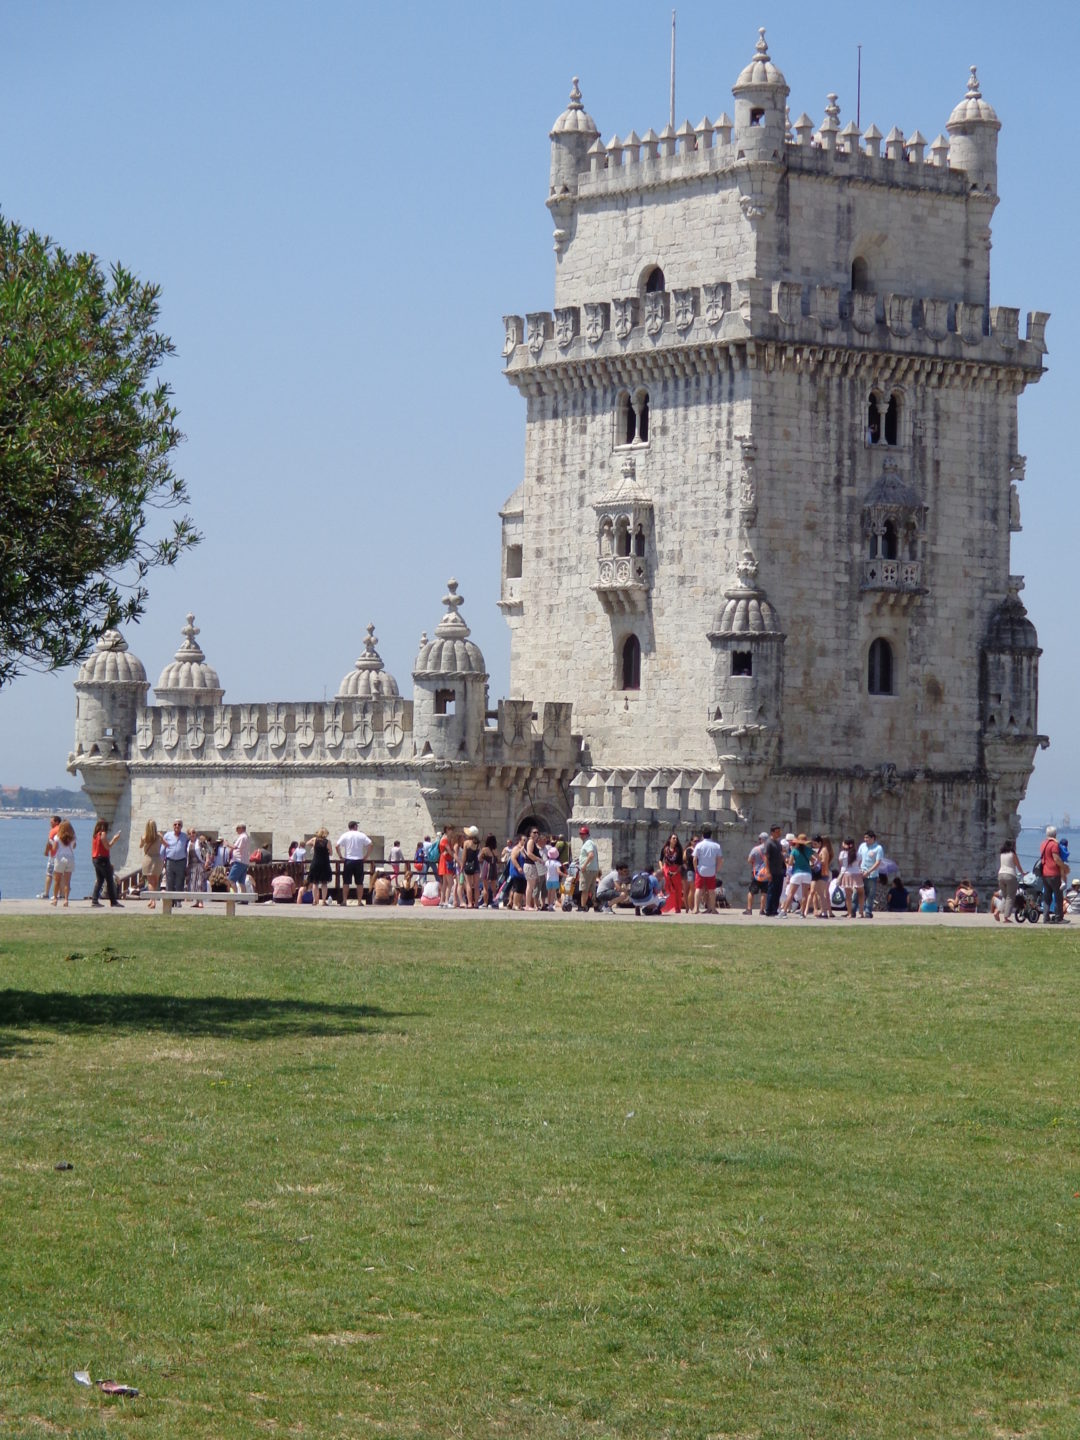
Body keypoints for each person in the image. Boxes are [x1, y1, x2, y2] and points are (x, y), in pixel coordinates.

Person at [337, 821, 372, 906]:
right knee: (359, 882)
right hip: (359, 860)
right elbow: (370, 844)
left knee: (346, 882)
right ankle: (359, 901)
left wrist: (340, 856)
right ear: (355, 826)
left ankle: (344, 901)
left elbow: (337, 845)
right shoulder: (361, 835)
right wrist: (366, 856)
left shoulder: (345, 835)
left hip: (348, 860)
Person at [90, 819, 123, 908]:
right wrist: (114, 839)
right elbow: (107, 846)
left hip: (95, 858)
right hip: (102, 859)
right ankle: (113, 901)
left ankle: (94, 900)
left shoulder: (95, 835)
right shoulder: (102, 834)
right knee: (109, 880)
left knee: (100, 880)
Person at [1038, 825, 1068, 923]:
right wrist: (1064, 867)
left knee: (1047, 897)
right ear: (1055, 834)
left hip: (1044, 873)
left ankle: (1045, 917)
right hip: (1054, 873)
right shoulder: (1054, 844)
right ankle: (1059, 917)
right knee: (1058, 896)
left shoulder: (1043, 844)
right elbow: (1056, 859)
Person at [692, 825, 724, 914]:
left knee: (698, 889)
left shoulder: (699, 845)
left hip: (701, 869)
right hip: (711, 870)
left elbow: (694, 859)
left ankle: (696, 908)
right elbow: (720, 859)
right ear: (711, 835)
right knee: (711, 890)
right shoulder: (716, 846)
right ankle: (713, 909)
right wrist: (717, 869)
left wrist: (696, 869)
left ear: (702, 835)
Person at [782, 834, 813, 916]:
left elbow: (791, 863)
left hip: (797, 873)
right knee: (804, 894)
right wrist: (811, 866)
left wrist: (787, 861)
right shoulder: (808, 850)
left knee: (791, 893)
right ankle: (802, 913)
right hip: (807, 873)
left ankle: (784, 911)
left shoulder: (794, 850)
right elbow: (814, 860)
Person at [856, 830, 885, 917]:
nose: (865, 839)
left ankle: (868, 911)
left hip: (872, 875)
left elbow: (878, 862)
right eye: (864, 837)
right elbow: (858, 858)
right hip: (861, 873)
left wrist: (869, 872)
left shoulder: (878, 848)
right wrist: (858, 869)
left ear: (873, 838)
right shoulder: (862, 846)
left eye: (867, 838)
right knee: (857, 893)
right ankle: (856, 910)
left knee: (870, 894)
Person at [51, 820, 77, 907]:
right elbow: (74, 846)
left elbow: (54, 848)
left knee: (57, 880)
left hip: (60, 858)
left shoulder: (57, 837)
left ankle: (55, 899)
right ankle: (66, 899)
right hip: (70, 858)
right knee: (67, 881)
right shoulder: (73, 838)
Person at [162, 818, 189, 898]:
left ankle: (178, 901)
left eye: (179, 824)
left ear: (181, 826)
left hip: (181, 862)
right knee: (169, 881)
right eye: (175, 824)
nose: (177, 826)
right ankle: (170, 901)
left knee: (179, 882)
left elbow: (187, 849)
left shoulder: (185, 837)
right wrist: (162, 861)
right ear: (173, 826)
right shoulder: (167, 835)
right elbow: (163, 849)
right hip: (169, 861)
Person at [997, 837, 1022, 922]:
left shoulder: (1002, 854)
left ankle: (997, 911)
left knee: (1005, 896)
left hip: (1000, 875)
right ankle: (1006, 917)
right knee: (1010, 897)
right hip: (1010, 875)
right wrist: (1023, 873)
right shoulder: (1012, 853)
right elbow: (1018, 865)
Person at [140, 820, 164, 908]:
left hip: (148, 859)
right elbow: (165, 844)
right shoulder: (159, 836)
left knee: (150, 881)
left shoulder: (144, 837)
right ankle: (152, 900)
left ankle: (152, 900)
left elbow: (140, 846)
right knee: (156, 881)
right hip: (157, 859)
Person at [306, 827, 333, 905]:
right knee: (324, 883)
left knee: (315, 883)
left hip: (315, 862)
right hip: (324, 863)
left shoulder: (314, 840)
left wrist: (313, 846)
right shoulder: (328, 842)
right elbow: (331, 853)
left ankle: (315, 900)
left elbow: (307, 843)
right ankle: (324, 901)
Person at [745, 832, 769, 915]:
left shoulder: (756, 849)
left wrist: (755, 862)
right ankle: (762, 910)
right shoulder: (769, 849)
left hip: (756, 872)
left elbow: (749, 860)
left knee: (751, 891)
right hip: (766, 873)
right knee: (764, 892)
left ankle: (749, 909)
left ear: (762, 839)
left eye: (759, 839)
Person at [764, 824, 786, 916]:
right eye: (777, 832)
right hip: (772, 871)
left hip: (779, 871)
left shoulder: (778, 843)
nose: (779, 833)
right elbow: (766, 857)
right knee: (771, 891)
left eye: (779, 831)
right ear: (772, 832)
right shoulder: (769, 843)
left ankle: (774, 909)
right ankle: (769, 910)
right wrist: (768, 871)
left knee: (778, 891)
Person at [577, 825, 599, 911]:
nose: (581, 835)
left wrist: (584, 866)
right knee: (592, 889)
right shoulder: (591, 843)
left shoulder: (588, 843)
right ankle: (596, 906)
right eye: (580, 833)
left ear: (587, 834)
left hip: (587, 870)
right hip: (593, 869)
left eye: (583, 834)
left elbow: (591, 855)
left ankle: (583, 906)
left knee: (584, 889)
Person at [660, 833, 684, 913]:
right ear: (670, 839)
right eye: (673, 838)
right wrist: (662, 868)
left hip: (676, 870)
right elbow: (660, 860)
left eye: (676, 838)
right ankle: (666, 907)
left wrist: (676, 872)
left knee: (678, 889)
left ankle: (677, 908)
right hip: (666, 868)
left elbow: (681, 864)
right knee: (667, 888)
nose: (675, 840)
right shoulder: (665, 849)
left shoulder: (679, 850)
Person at [229, 823, 253, 894]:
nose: (236, 831)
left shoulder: (242, 837)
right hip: (243, 861)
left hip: (239, 861)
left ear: (241, 828)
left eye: (237, 829)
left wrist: (227, 844)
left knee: (231, 880)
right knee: (241, 882)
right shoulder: (246, 836)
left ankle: (235, 897)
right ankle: (243, 898)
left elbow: (235, 847)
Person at [42, 814, 61, 902]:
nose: (50, 823)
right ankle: (60, 894)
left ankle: (46, 893)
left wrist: (46, 851)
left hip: (54, 855)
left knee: (49, 874)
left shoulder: (53, 830)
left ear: (57, 822)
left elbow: (49, 842)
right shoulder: (64, 830)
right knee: (61, 875)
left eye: (52, 822)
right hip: (62, 856)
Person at [479, 833, 499, 908]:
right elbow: (498, 859)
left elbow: (480, 859)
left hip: (486, 866)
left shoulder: (484, 849)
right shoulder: (495, 850)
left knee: (485, 886)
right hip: (493, 867)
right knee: (494, 887)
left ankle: (485, 903)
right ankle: (495, 902)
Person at [543, 842, 562, 911]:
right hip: (555, 879)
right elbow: (559, 872)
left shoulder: (547, 862)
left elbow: (545, 871)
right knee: (553, 893)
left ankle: (548, 904)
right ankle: (551, 905)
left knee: (549, 892)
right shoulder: (557, 863)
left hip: (548, 879)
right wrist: (566, 875)